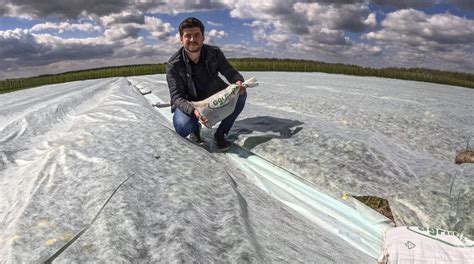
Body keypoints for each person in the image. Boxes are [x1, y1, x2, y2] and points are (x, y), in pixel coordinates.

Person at [166, 17, 246, 151]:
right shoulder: (173, 65)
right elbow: (176, 96)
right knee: (183, 126)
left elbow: (229, 71)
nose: (192, 39)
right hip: (190, 102)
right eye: (188, 36)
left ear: (203, 37)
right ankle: (195, 129)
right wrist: (194, 111)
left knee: (240, 95)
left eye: (197, 34)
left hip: (212, 96)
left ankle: (221, 133)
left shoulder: (214, 53)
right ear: (181, 39)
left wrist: (238, 82)